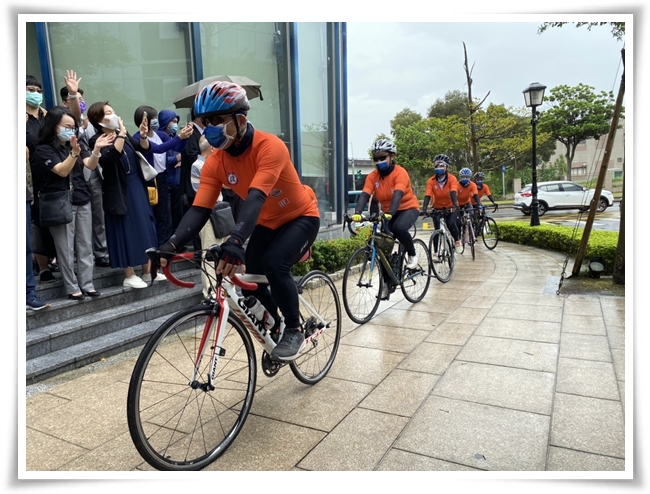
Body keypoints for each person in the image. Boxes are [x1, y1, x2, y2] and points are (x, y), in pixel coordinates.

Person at [159, 81, 320, 361]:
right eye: (205, 121)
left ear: (241, 120)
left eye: (217, 120)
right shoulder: (216, 162)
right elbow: (199, 210)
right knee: (252, 280)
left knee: (274, 263)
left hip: (300, 217)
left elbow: (256, 197)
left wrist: (235, 241)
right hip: (267, 224)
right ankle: (277, 325)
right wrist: (170, 244)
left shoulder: (270, 147)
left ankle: (294, 328)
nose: (209, 126)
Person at [31, 106, 114, 300]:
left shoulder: (76, 144)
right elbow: (61, 171)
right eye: (67, 126)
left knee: (85, 245)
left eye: (74, 126)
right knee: (65, 248)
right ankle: (71, 287)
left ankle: (87, 284)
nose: (71, 130)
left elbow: (90, 165)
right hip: (60, 202)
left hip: (82, 198)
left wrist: (96, 150)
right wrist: (74, 153)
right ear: (54, 126)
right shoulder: (44, 149)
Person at [86, 101, 160, 288]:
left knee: (144, 226)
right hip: (118, 190)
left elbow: (142, 148)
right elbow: (110, 159)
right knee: (124, 230)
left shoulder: (124, 136)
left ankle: (147, 270)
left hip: (137, 185)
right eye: (108, 113)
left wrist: (143, 135)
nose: (114, 115)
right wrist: (120, 134)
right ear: (99, 120)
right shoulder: (97, 140)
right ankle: (129, 274)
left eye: (113, 111)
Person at [351, 139, 420, 283]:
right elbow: (365, 194)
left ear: (392, 156)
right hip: (388, 212)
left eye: (382, 157)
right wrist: (357, 212)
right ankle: (387, 284)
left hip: (407, 208)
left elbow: (398, 194)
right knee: (383, 247)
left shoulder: (400, 173)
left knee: (398, 228)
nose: (378, 161)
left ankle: (413, 254)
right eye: (376, 158)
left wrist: (391, 213)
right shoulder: (372, 176)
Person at [60, 73, 110, 268]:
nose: (81, 103)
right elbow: (74, 115)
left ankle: (101, 252)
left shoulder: (88, 124)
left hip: (94, 171)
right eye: (76, 100)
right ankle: (75, 258)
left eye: (82, 99)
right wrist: (73, 95)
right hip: (75, 177)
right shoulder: (68, 123)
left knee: (98, 214)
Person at [132, 105, 193, 248]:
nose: (154, 122)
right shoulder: (137, 138)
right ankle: (152, 244)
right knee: (153, 212)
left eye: (154, 118)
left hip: (162, 178)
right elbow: (159, 149)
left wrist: (185, 137)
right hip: (149, 180)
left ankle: (164, 244)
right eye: (151, 119)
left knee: (164, 214)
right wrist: (179, 137)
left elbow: (177, 148)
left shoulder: (161, 135)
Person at [26, 74, 58, 283]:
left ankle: (56, 260)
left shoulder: (47, 116)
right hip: (31, 180)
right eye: (30, 89)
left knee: (53, 221)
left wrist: (74, 95)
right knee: (37, 223)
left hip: (53, 177)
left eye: (38, 91)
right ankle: (43, 267)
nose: (35, 94)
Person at [420, 153, 462, 254]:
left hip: (451, 207)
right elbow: (428, 195)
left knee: (451, 223)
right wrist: (424, 209)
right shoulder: (431, 181)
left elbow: (453, 191)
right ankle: (435, 252)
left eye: (442, 166)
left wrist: (455, 204)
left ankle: (457, 241)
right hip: (438, 207)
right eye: (436, 166)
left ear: (447, 167)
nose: (439, 168)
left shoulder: (452, 179)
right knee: (436, 230)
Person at [179, 108, 205, 255]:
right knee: (196, 219)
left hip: (202, 181)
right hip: (193, 183)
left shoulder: (203, 132)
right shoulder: (190, 132)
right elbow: (191, 155)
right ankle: (198, 254)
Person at [158, 109, 184, 232]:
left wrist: (181, 159)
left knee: (177, 213)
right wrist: (176, 158)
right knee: (166, 215)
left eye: (176, 121)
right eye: (173, 121)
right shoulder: (158, 137)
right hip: (166, 182)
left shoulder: (175, 138)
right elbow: (161, 160)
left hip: (177, 182)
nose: (175, 124)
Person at [456, 167, 483, 244]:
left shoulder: (473, 185)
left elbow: (475, 195)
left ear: (470, 177)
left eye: (467, 177)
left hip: (467, 202)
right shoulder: (457, 185)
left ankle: (471, 230)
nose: (465, 178)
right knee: (458, 221)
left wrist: (479, 205)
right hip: (458, 204)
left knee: (471, 214)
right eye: (463, 177)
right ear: (460, 177)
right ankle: (459, 234)